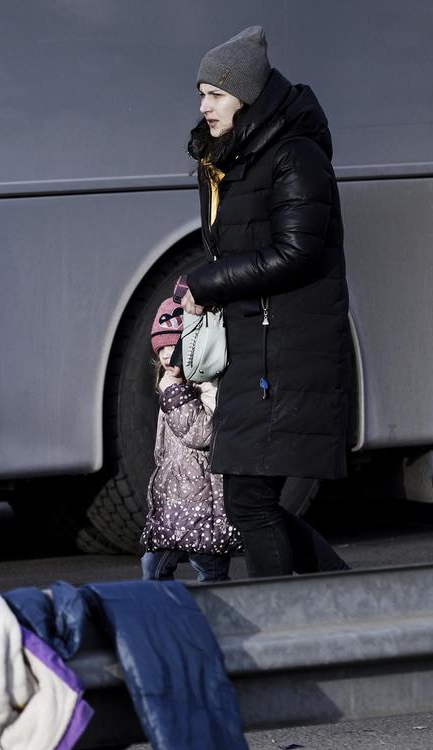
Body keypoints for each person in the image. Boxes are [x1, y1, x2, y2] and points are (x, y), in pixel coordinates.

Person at [180, 26, 351, 578]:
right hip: (260, 347)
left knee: (250, 503)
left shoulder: (294, 157)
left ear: (247, 97)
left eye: (216, 95)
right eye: (202, 92)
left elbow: (296, 252)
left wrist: (206, 283)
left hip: (286, 352)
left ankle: (286, 622)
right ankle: (336, 594)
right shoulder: (239, 156)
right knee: (251, 502)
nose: (204, 106)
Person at [139, 285, 242, 583]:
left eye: (177, 348)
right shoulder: (169, 387)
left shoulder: (208, 383)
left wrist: (175, 393)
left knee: (209, 573)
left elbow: (202, 433)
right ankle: (166, 619)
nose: (170, 358)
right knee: (153, 568)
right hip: (174, 507)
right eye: (163, 350)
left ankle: (213, 622)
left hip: (205, 508)